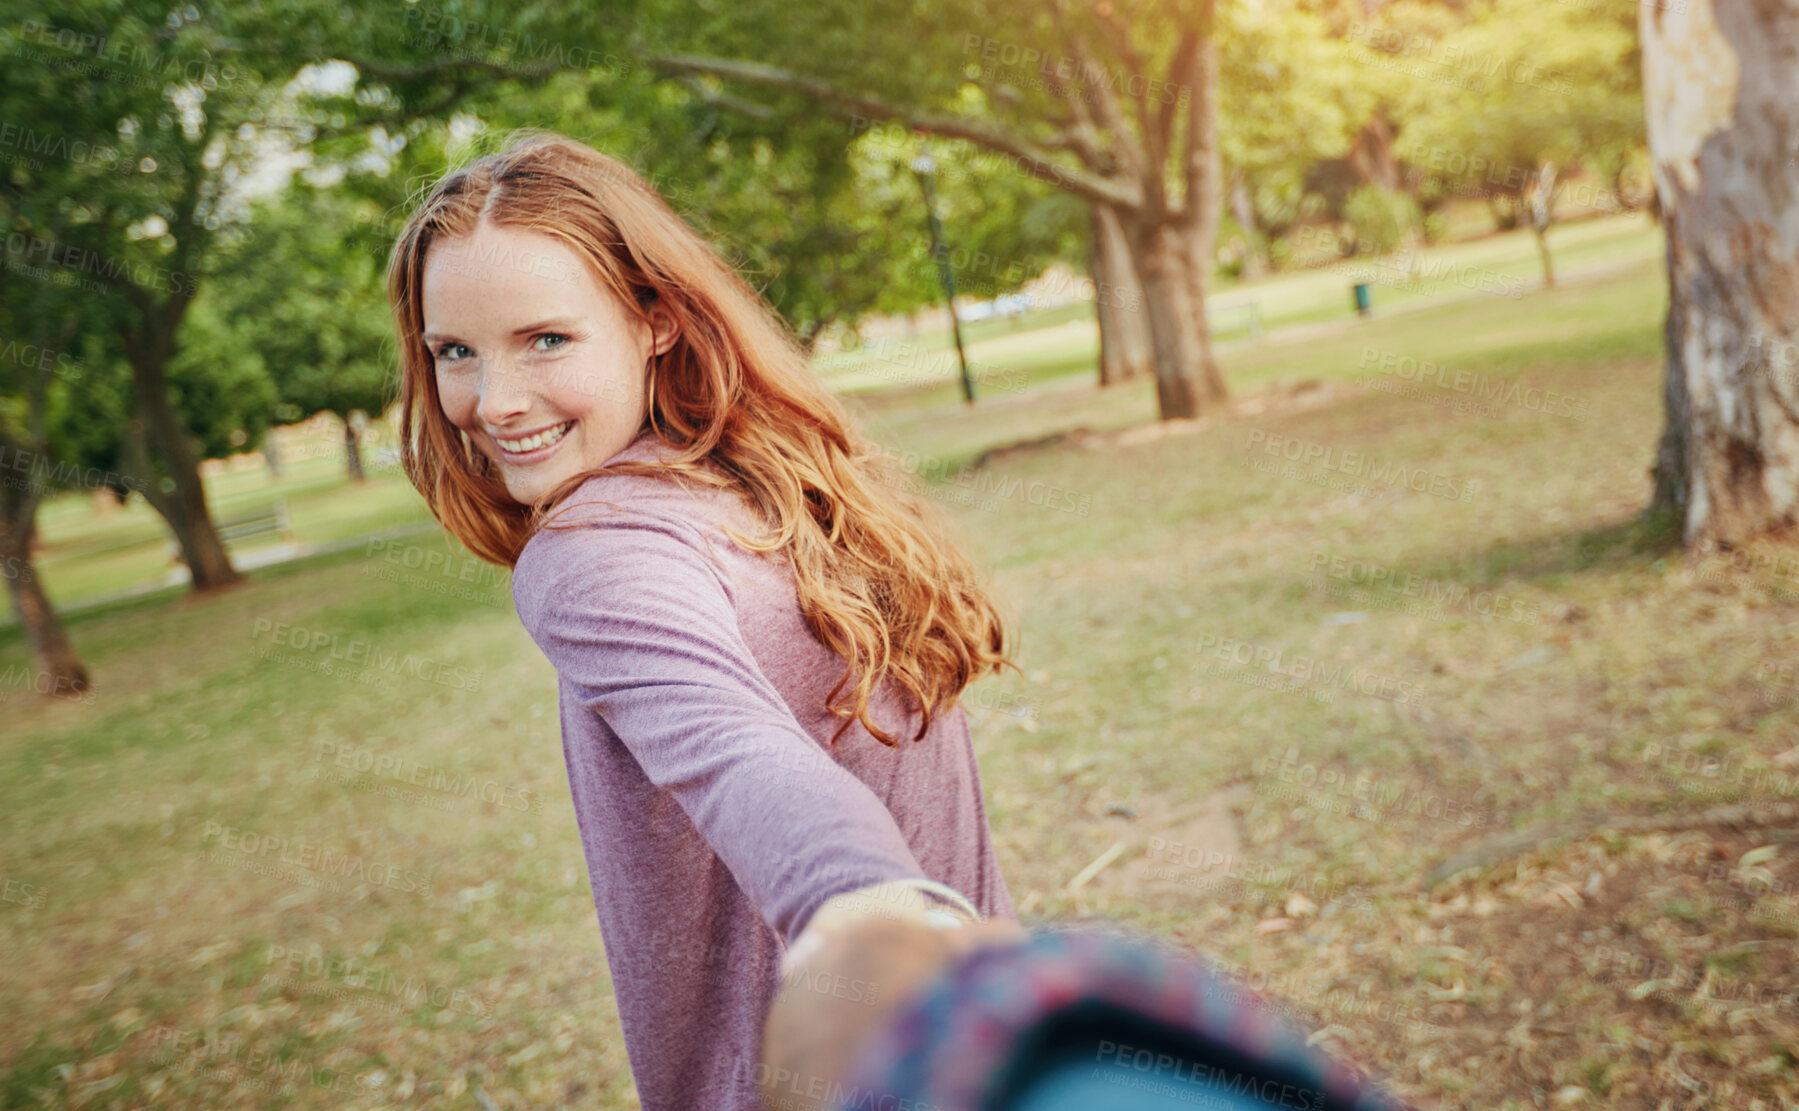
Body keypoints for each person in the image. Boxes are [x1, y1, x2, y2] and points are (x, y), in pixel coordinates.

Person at [384, 128, 1024, 1110]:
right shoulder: (774, 483)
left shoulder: (593, 553)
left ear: (655, 321)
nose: (494, 402)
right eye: (453, 353)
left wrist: (869, 911)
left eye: (546, 339)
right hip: (992, 1046)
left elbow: (734, 750)